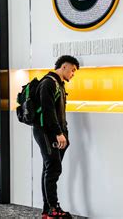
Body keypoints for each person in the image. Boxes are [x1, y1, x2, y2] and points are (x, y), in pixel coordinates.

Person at [33, 55, 79, 219]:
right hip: (47, 133)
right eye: (73, 70)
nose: (73, 73)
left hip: (54, 133)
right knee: (53, 169)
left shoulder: (58, 84)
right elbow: (48, 111)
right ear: (64, 66)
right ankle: (53, 209)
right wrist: (58, 133)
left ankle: (48, 210)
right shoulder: (48, 83)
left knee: (49, 169)